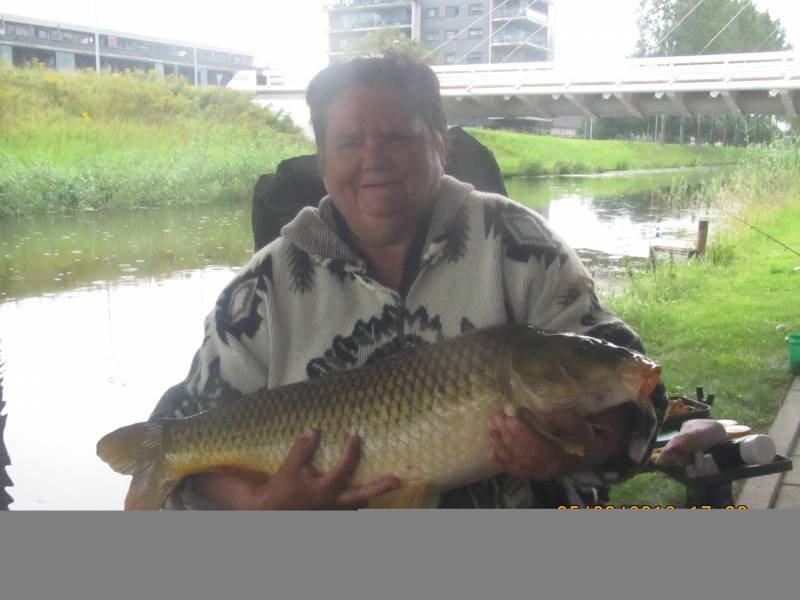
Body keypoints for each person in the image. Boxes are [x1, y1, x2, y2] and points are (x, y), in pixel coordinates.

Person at [150, 54, 665, 510]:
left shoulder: (518, 243)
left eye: (397, 136)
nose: (374, 158)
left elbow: (633, 396)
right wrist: (261, 505)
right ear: (323, 160)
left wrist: (582, 446)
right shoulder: (261, 289)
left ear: (440, 142)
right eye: (349, 142)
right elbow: (186, 437)